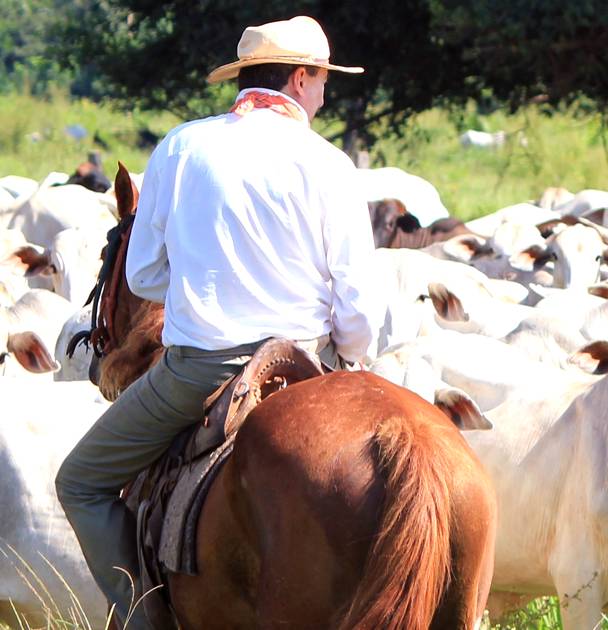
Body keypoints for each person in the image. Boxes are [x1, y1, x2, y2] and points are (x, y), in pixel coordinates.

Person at [55, 16, 380, 628]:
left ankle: (144, 619)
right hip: (311, 362)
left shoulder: (182, 145)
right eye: (323, 80)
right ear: (302, 78)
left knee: (81, 482)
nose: (324, 93)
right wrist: (349, 356)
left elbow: (144, 277)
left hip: (200, 372)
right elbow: (359, 309)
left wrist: (209, 277)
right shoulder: (330, 163)